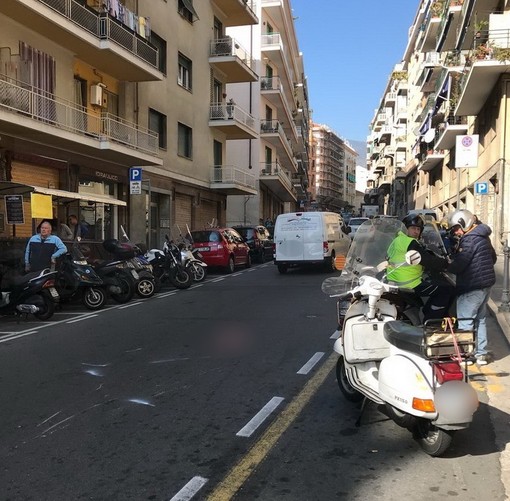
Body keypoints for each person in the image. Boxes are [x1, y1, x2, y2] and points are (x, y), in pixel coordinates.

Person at [447, 209, 497, 366]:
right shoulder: (482, 236)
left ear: (465, 223)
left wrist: (448, 264)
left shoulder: (469, 239)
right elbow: (493, 258)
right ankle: (481, 354)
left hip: (472, 286)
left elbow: (460, 265)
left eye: (456, 228)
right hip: (485, 285)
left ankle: (467, 356)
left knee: (465, 320)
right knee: (480, 318)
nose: (456, 232)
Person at [386, 214, 453, 321]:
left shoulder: (397, 240)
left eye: (418, 229)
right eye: (413, 228)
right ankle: (431, 320)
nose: (416, 232)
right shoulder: (409, 242)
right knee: (446, 289)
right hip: (410, 283)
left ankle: (427, 310)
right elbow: (427, 260)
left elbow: (417, 257)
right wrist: (447, 264)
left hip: (395, 279)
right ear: (405, 229)